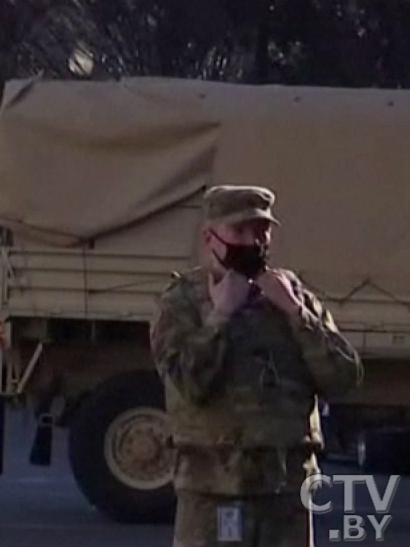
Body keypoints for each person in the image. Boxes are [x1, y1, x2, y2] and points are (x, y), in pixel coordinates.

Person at [150, 184, 363, 546]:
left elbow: (344, 377)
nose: (252, 241)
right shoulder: (182, 303)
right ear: (210, 237)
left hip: (285, 489)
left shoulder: (292, 297)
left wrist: (297, 315)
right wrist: (221, 315)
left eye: (261, 230)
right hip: (214, 487)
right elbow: (190, 382)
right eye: (239, 231)